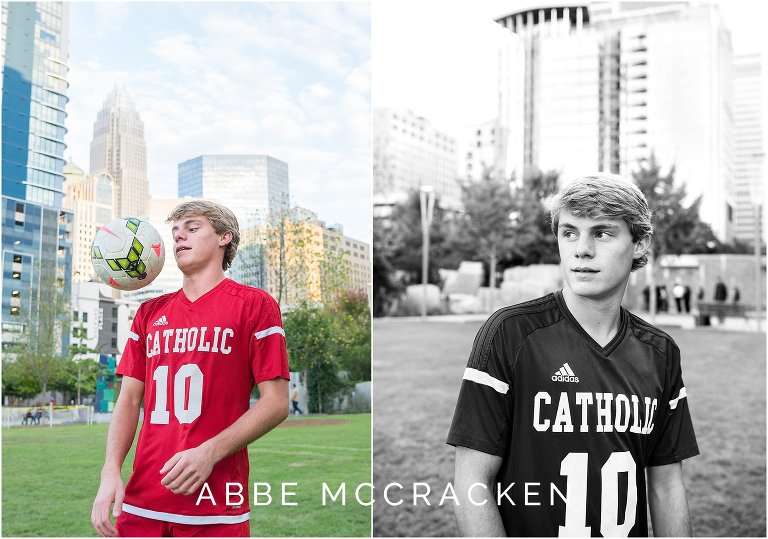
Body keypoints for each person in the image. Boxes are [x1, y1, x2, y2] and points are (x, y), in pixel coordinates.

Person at [448, 173, 698, 537]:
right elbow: (472, 483)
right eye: (570, 232)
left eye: (602, 233)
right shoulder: (510, 333)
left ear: (640, 243)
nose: (581, 249)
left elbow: (666, 485)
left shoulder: (660, 352)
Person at [91, 201, 290, 537]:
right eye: (175, 232)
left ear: (225, 236)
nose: (179, 236)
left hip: (215, 507)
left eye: (192, 228)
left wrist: (209, 452)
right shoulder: (148, 314)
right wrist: (110, 471)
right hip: (142, 505)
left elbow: (276, 402)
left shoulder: (255, 305)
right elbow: (128, 400)